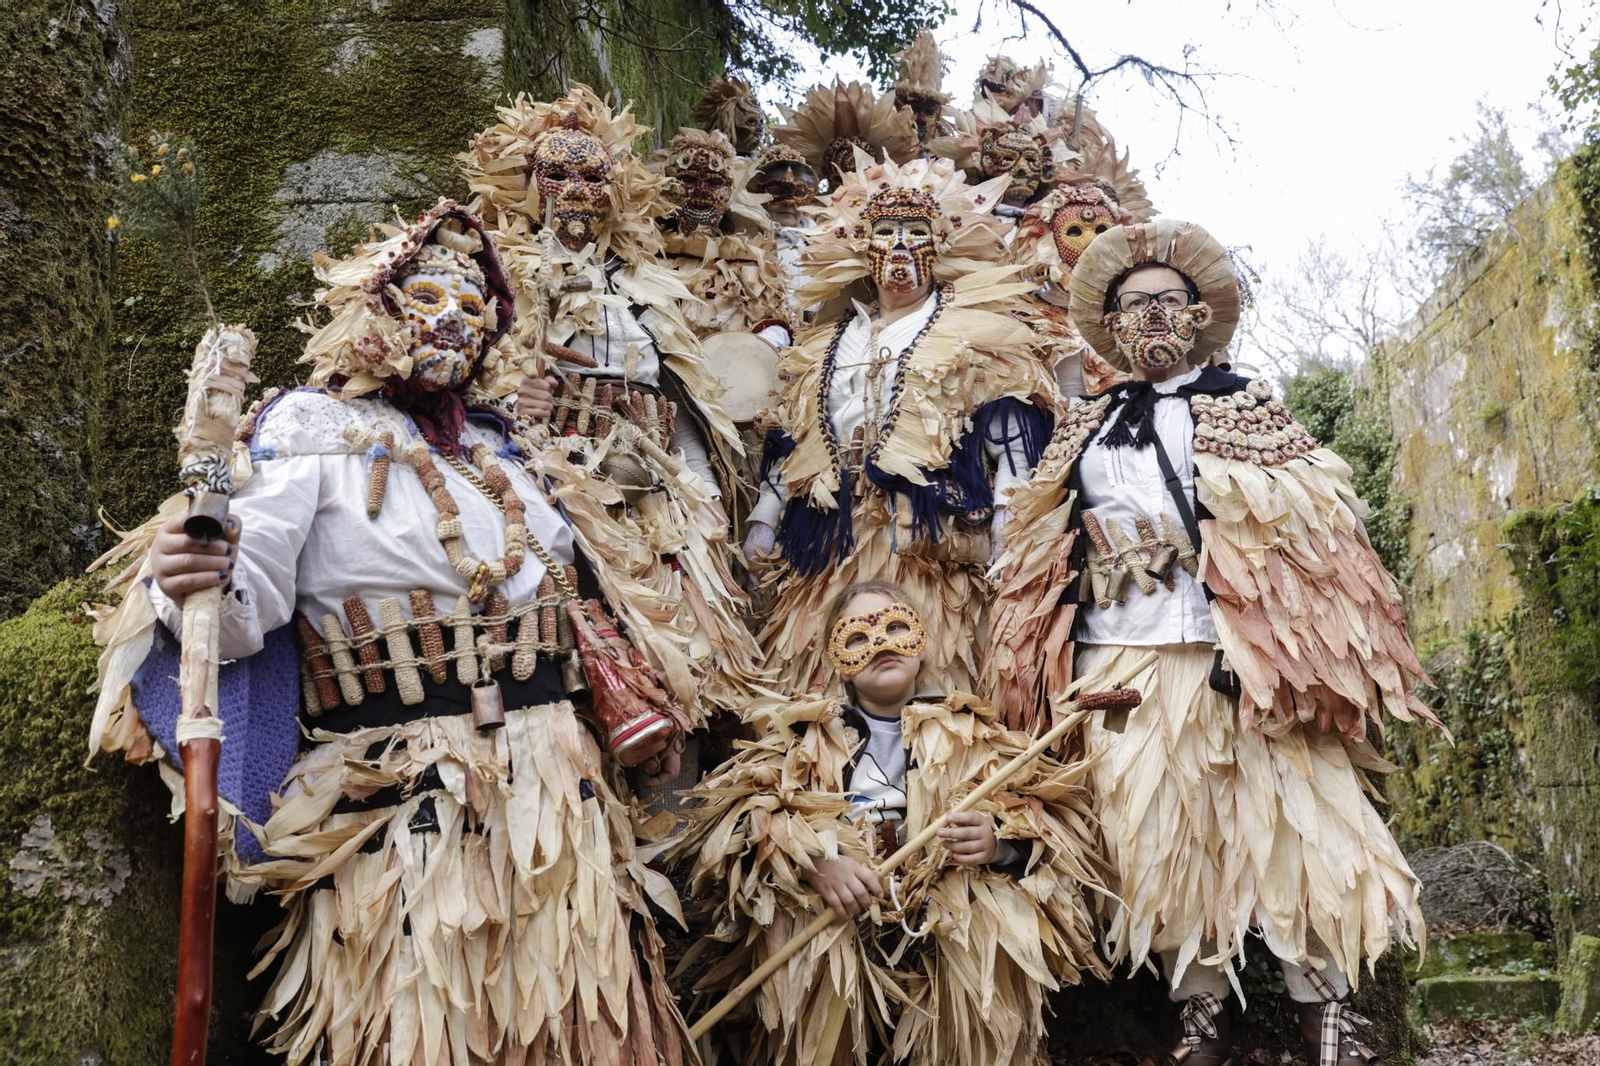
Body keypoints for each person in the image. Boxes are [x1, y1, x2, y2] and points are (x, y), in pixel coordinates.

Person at [87, 200, 698, 1064]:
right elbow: (232, 616)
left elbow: (571, 594)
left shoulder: (503, 454)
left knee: (577, 1025)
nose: (451, 318)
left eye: (474, 306)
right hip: (401, 794)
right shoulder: (306, 438)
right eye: (427, 295)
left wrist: (628, 702)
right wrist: (192, 574)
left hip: (557, 789)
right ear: (376, 308)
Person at [987, 217, 1442, 1066]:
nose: (1151, 318)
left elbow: (1319, 539)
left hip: (1242, 659)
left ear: (1199, 315)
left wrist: (1290, 651)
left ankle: (1326, 1017)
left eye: (1167, 302)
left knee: (1299, 834)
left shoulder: (1246, 407)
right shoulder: (1083, 424)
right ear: (1111, 327)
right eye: (1132, 307)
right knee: (1162, 842)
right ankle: (1198, 1020)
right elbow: (1038, 544)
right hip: (1121, 659)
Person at [669, 580, 1108, 1066]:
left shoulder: (972, 732)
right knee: (802, 922)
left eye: (896, 627)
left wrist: (997, 842)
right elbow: (745, 815)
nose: (879, 644)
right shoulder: (806, 736)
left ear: (922, 647)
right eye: (856, 637)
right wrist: (815, 863)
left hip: (943, 903)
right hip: (841, 908)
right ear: (839, 663)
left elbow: (1048, 817)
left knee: (987, 922)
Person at [460, 85, 768, 723]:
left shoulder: (644, 281)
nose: (576, 189)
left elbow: (677, 402)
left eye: (593, 174)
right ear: (530, 183)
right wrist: (509, 403)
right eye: (560, 173)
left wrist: (703, 485)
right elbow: (458, 385)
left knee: (693, 626)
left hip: (659, 483)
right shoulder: (496, 275)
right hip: (557, 487)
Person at [743, 152, 1055, 696]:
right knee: (822, 685)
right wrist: (764, 522)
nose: (902, 245)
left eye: (917, 231)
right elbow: (794, 439)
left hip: (929, 541)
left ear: (939, 245)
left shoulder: (976, 328)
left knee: (934, 681)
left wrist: (1010, 526)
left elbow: (1009, 433)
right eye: (887, 231)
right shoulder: (826, 340)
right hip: (832, 541)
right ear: (864, 245)